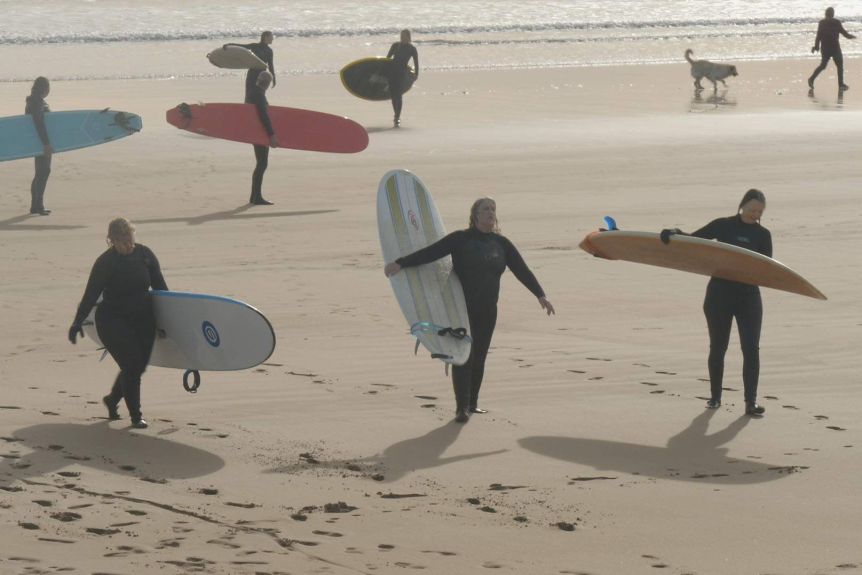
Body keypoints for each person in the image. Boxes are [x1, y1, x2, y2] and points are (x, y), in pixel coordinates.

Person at [384, 197, 554, 423]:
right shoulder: (461, 239)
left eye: (493, 209)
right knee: (463, 356)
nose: (491, 213)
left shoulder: (501, 244)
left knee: (480, 357)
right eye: (486, 209)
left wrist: (540, 294)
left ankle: (473, 403)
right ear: (474, 215)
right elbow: (431, 253)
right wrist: (401, 262)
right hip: (459, 309)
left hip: (487, 310)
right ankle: (461, 408)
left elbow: (522, 270)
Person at [660, 189, 772, 417]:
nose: (755, 214)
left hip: (749, 298)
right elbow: (694, 239)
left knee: (751, 349)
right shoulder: (723, 225)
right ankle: (715, 398)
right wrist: (674, 233)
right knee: (718, 347)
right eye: (752, 209)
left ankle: (751, 402)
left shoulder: (763, 235)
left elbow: (767, 268)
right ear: (742, 206)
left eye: (759, 211)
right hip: (719, 296)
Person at [68, 218, 168, 429]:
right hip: (112, 320)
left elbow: (161, 290)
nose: (126, 242)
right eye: (121, 239)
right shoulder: (105, 263)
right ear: (111, 240)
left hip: (143, 319)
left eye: (128, 237)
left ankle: (112, 400)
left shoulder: (145, 255)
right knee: (132, 365)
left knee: (137, 367)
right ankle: (136, 416)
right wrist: (78, 322)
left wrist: (170, 322)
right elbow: (90, 295)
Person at [247, 70, 279, 205]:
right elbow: (263, 116)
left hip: (254, 132)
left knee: (260, 163)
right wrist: (271, 134)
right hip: (261, 133)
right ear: (267, 84)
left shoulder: (251, 93)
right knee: (262, 163)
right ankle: (256, 197)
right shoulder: (259, 96)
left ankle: (254, 196)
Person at [808, 7, 856, 91]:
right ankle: (841, 84)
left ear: (826, 14)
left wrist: (816, 47)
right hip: (835, 48)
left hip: (825, 48)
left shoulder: (822, 22)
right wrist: (852, 37)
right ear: (832, 14)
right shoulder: (836, 22)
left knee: (823, 66)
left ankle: (811, 79)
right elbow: (844, 33)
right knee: (840, 66)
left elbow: (818, 36)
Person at [26, 76, 53, 215]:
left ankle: (35, 206)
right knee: (44, 171)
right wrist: (46, 144)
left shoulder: (34, 100)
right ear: (44, 88)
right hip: (42, 142)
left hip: (38, 141)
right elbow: (38, 122)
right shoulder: (36, 102)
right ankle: (38, 206)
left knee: (40, 172)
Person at [224, 31, 276, 102]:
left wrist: (273, 78)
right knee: (249, 94)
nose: (272, 39)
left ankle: (258, 108)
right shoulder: (254, 46)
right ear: (266, 37)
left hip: (262, 76)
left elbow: (271, 66)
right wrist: (229, 45)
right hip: (252, 74)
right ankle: (247, 109)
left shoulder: (269, 51)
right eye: (271, 37)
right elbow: (241, 47)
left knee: (260, 95)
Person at [386, 29, 419, 128]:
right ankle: (396, 114)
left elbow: (416, 63)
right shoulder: (395, 45)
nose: (402, 38)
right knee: (393, 95)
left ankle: (397, 117)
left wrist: (416, 74)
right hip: (392, 72)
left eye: (404, 36)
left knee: (398, 95)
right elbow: (387, 59)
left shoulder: (412, 49)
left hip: (401, 74)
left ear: (409, 37)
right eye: (401, 36)